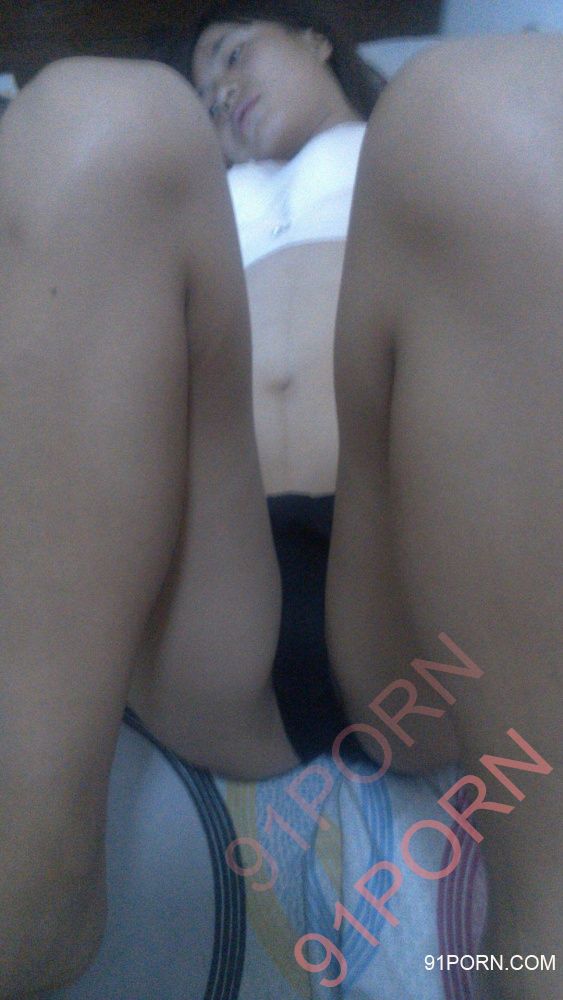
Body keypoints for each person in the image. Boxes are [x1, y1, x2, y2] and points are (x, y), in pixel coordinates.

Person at [182, 0, 387, 760]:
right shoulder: (200, 208)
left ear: (313, 38)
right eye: (208, 102)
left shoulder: (413, 146)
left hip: (404, 529)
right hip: (224, 562)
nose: (224, 93)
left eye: (233, 55)